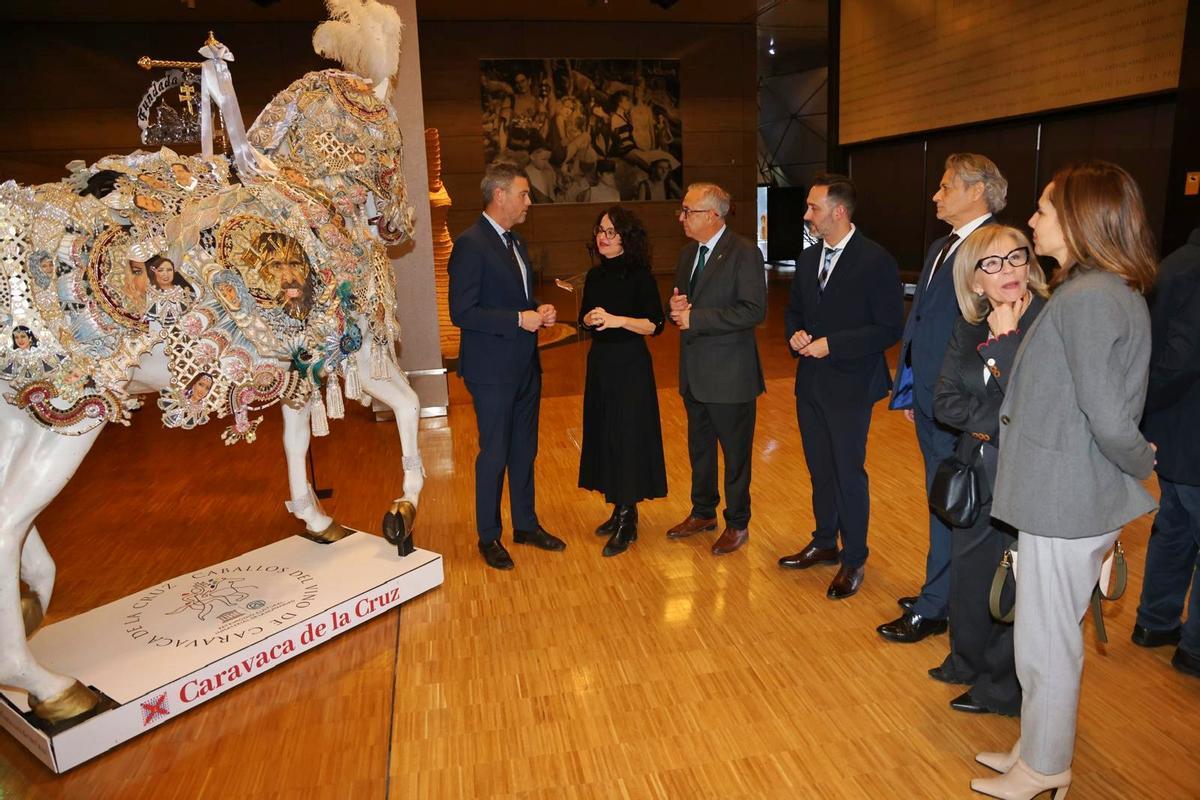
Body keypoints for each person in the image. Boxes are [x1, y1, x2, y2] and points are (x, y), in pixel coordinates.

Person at [971, 161, 1157, 799]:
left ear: (1080, 219)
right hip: (1059, 492)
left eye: (1044, 210)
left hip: (1067, 496)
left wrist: (1140, 463)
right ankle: (1034, 748)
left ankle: (1046, 767)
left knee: (1047, 644)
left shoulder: (1092, 297)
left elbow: (1107, 415)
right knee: (1039, 636)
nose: (1031, 220)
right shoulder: (1089, 291)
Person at [880, 153, 1007, 643]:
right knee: (943, 499)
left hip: (961, 405)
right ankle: (943, 592)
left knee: (953, 502)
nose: (936, 195)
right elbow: (923, 323)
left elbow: (990, 334)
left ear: (976, 191)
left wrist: (953, 399)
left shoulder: (993, 248)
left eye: (946, 186)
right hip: (931, 398)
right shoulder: (941, 246)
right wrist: (910, 388)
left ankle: (937, 606)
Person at [931, 225, 1049, 717]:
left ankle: (1001, 689)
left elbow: (1038, 407)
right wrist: (997, 425)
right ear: (975, 280)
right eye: (993, 263)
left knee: (1014, 581)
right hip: (976, 471)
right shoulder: (970, 324)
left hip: (1025, 477)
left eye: (1017, 257)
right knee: (971, 573)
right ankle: (967, 661)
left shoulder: (1047, 320)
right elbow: (944, 402)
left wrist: (990, 421)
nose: (1009, 270)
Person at [778, 174, 903, 599]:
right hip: (811, 383)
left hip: (851, 384)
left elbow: (889, 328)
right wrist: (795, 334)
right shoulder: (808, 258)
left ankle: (854, 558)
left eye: (813, 207)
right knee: (820, 469)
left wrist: (834, 344)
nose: (806, 214)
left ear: (840, 211)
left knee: (848, 473)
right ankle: (825, 541)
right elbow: (794, 312)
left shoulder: (876, 260)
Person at [449, 162, 562, 570]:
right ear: (500, 196)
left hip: (525, 365)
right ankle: (489, 536)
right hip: (492, 371)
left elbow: (516, 299)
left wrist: (538, 310)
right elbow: (462, 312)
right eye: (523, 194)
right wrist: (518, 319)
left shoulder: (516, 242)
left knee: (524, 450)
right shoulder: (470, 244)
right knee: (494, 453)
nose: (529, 201)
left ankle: (526, 525)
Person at [666, 182, 766, 555]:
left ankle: (737, 523)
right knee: (700, 450)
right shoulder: (686, 255)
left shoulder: (744, 253)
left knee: (735, 456)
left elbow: (753, 310)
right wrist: (676, 310)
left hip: (730, 377)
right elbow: (682, 307)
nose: (681, 218)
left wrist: (696, 318)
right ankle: (703, 512)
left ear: (712, 215)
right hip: (694, 374)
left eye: (687, 211)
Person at [578, 207, 667, 557]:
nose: (603, 237)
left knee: (628, 436)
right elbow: (584, 319)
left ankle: (629, 518)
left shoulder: (640, 276)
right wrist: (588, 318)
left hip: (630, 365)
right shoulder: (595, 275)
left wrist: (617, 320)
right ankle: (618, 508)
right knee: (606, 434)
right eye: (600, 230)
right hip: (601, 363)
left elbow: (655, 324)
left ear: (626, 238)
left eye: (611, 232)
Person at [1133, 224, 1200, 678]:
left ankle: (1155, 623)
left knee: (1174, 528)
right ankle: (1195, 649)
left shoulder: (1175, 261)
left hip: (1174, 431)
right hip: (1191, 430)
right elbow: (1182, 359)